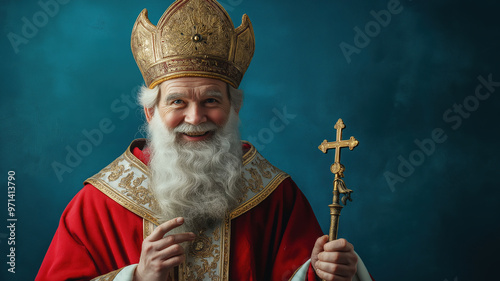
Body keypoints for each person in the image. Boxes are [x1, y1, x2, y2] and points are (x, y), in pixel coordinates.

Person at [36, 0, 373, 280]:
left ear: (234, 108)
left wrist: (327, 271)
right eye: (177, 101)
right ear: (151, 113)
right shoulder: (99, 204)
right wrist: (136, 277)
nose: (195, 118)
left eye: (211, 100)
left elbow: (306, 272)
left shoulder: (274, 194)